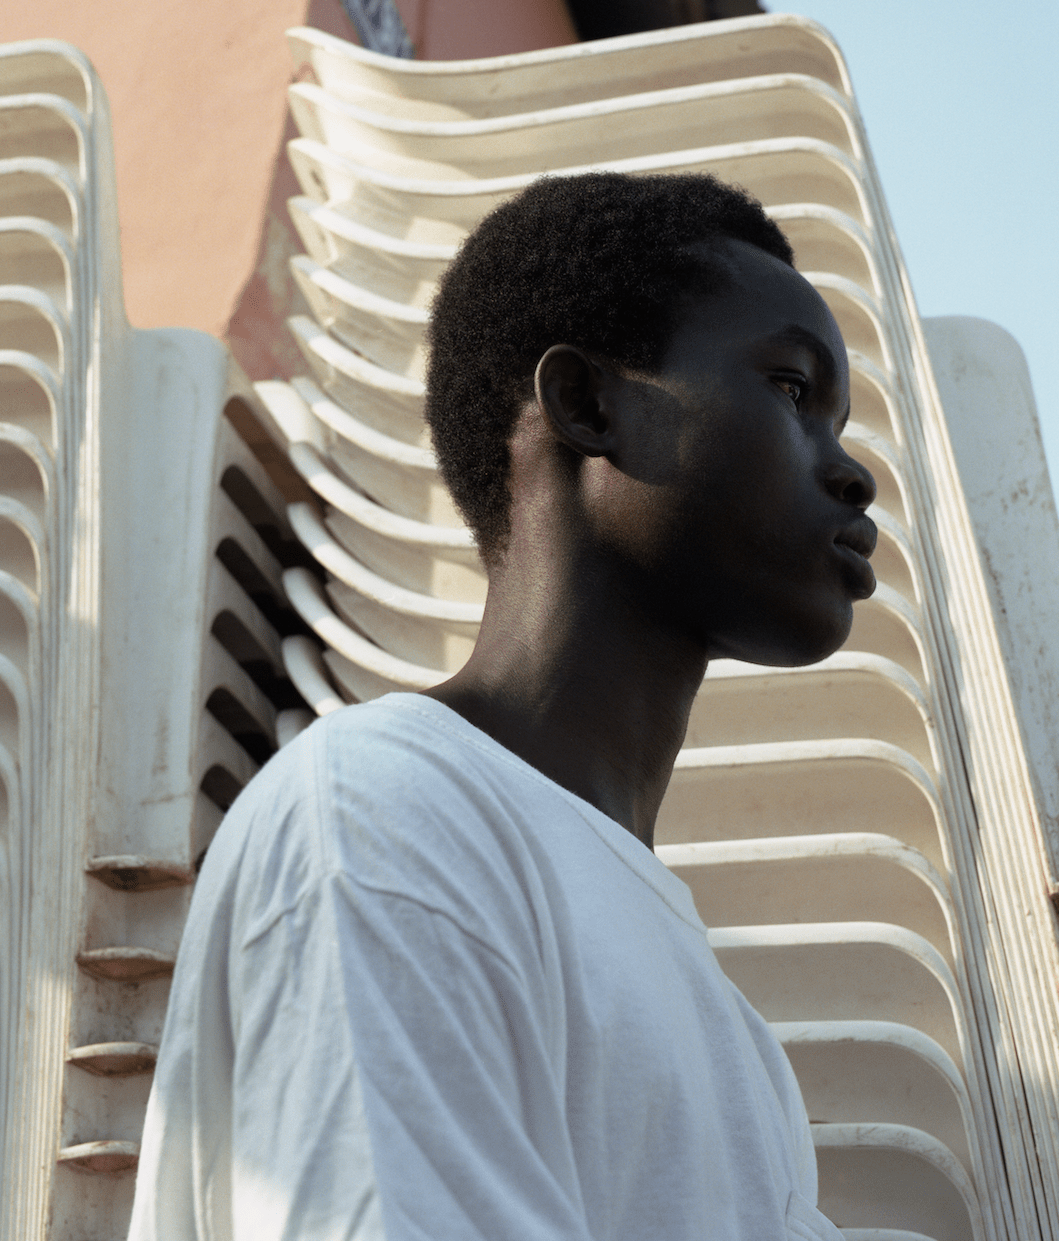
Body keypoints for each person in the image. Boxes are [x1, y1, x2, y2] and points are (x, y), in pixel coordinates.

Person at [128, 171, 878, 1241]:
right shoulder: (392, 815)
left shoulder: (722, 1019)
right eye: (792, 390)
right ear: (585, 406)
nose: (852, 475)